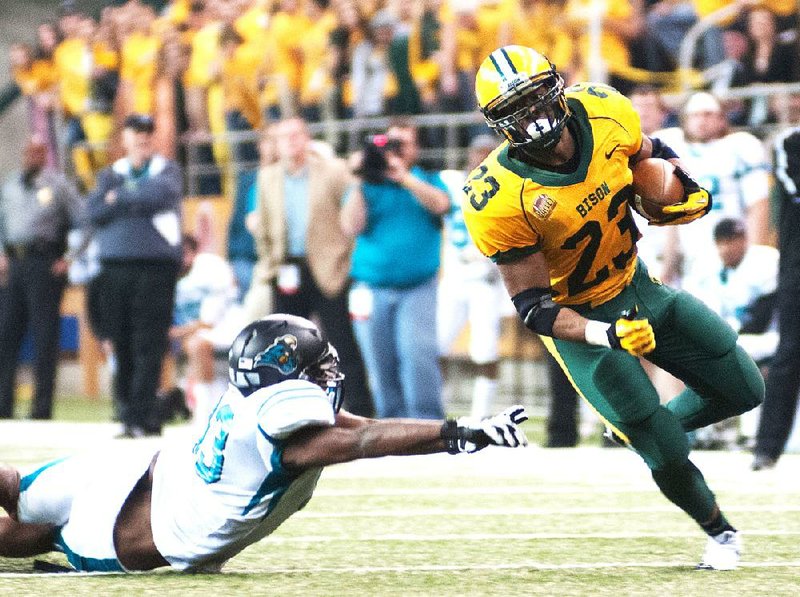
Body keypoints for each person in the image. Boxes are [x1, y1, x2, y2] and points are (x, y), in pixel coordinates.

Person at [463, 45, 764, 570]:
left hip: (637, 282)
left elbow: (651, 149)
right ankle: (720, 533)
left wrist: (679, 185)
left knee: (745, 388)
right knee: (668, 452)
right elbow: (533, 308)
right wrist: (608, 335)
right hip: (580, 319)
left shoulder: (602, 110)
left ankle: (642, 430)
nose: (534, 117)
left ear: (556, 87)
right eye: (517, 111)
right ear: (498, 124)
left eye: (536, 99)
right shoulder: (498, 194)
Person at [0, 314, 529, 573]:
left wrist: (455, 436)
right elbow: (366, 439)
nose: (328, 373)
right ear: (292, 378)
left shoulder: (255, 393)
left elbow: (358, 426)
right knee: (34, 521)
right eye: (317, 367)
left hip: (137, 488)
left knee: (21, 499)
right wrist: (459, 431)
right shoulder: (293, 437)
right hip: (127, 530)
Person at [250, 117, 372, 417]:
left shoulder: (331, 171)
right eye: (284, 136)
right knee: (285, 342)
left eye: (296, 135)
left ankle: (359, 406)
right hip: (286, 266)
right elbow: (263, 223)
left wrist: (344, 257)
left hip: (327, 267)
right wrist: (269, 263)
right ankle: (287, 407)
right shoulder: (267, 177)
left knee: (340, 339)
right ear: (276, 144)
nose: (291, 141)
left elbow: (354, 196)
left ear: (307, 139)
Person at [341, 120, 451, 420]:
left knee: (418, 355)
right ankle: (391, 425)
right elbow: (352, 226)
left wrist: (405, 178)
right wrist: (360, 178)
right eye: (390, 144)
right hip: (371, 286)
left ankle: (428, 425)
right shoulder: (366, 186)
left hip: (417, 286)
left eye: (402, 145)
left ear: (415, 150)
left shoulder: (427, 179)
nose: (394, 152)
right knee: (379, 361)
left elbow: (442, 205)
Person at [86, 114, 182, 438]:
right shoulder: (111, 174)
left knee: (149, 342)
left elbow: (159, 196)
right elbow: (94, 210)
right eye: (136, 132)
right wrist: (129, 198)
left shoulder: (165, 171)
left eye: (147, 132)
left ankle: (142, 413)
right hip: (115, 266)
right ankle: (128, 411)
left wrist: (120, 198)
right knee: (121, 340)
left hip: (154, 268)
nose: (142, 138)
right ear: (124, 138)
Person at [656, 91, 771, 288]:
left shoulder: (740, 146)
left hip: (732, 247)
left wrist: (753, 256)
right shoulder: (673, 148)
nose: (702, 121)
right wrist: (669, 264)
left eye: (708, 114)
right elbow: (670, 214)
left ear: (721, 118)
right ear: (684, 119)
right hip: (692, 255)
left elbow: (758, 205)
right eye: (695, 115)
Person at [0, 140, 80, 420]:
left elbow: (83, 221)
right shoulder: (9, 185)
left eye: (36, 151)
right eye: (26, 151)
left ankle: (41, 409)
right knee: (6, 335)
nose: (30, 156)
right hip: (13, 265)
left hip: (45, 264)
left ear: (44, 154)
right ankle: (3, 407)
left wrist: (68, 258)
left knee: (46, 338)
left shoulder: (59, 185)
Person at [684, 218, 779, 449]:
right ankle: (707, 430)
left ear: (745, 240)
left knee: (739, 352)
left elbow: (763, 314)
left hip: (771, 336)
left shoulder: (765, 261)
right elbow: (699, 313)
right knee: (697, 354)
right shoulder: (704, 266)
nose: (729, 247)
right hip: (729, 337)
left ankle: (749, 432)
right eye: (724, 242)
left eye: (734, 240)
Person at [437, 134, 505, 418]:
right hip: (453, 278)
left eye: (487, 153)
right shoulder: (450, 182)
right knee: (437, 345)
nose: (480, 159)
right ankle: (434, 407)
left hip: (485, 280)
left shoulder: (504, 188)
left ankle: (481, 414)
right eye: (477, 153)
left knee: (485, 350)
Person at [752, 127, 800, 470]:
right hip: (797, 271)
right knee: (790, 353)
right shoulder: (789, 142)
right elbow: (793, 185)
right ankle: (767, 449)